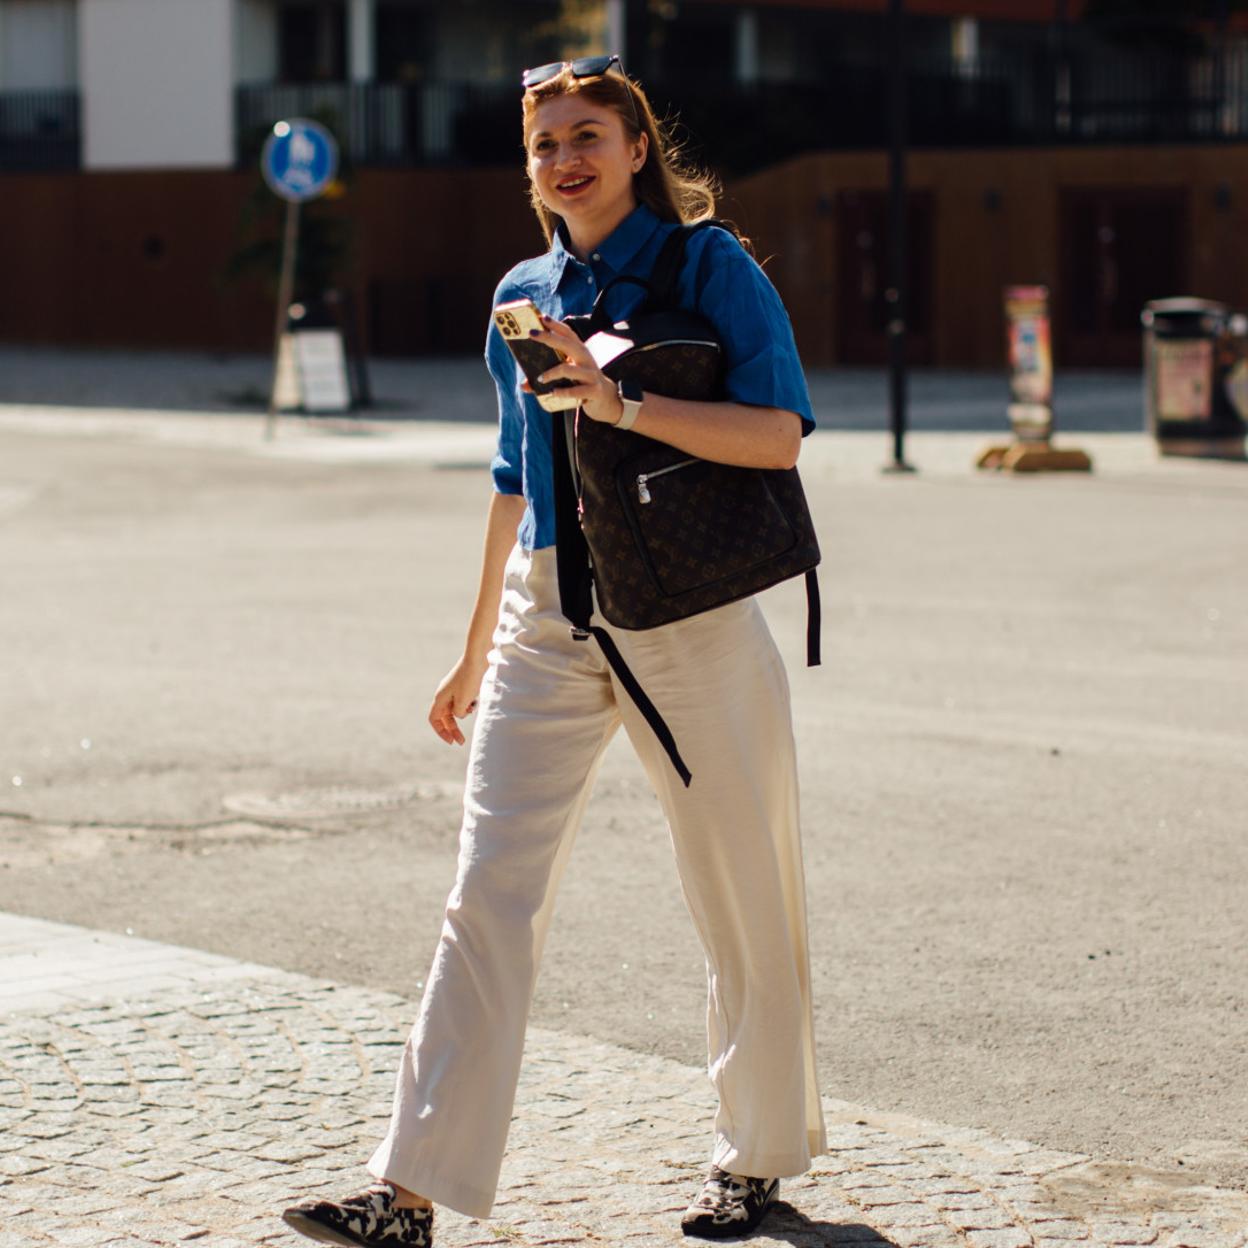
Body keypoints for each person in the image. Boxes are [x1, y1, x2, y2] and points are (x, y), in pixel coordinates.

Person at [281, 54, 826, 1248]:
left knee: (744, 891)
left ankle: (755, 1160)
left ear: (636, 148)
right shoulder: (520, 293)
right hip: (549, 616)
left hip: (688, 614)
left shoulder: (707, 266)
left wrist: (621, 401)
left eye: (588, 136)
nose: (566, 159)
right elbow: (512, 481)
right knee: (487, 893)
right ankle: (408, 1193)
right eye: (545, 144)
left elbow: (780, 436)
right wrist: (472, 647)